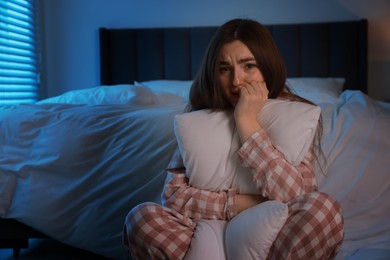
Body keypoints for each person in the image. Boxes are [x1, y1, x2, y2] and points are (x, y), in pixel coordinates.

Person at [123, 18, 344, 259]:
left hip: (271, 236)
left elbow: (298, 196)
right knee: (140, 217)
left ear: (267, 67)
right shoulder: (200, 120)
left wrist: (247, 124)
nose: (237, 81)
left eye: (248, 66)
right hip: (205, 232)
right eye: (224, 69)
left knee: (324, 211)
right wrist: (247, 202)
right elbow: (174, 197)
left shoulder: (293, 116)